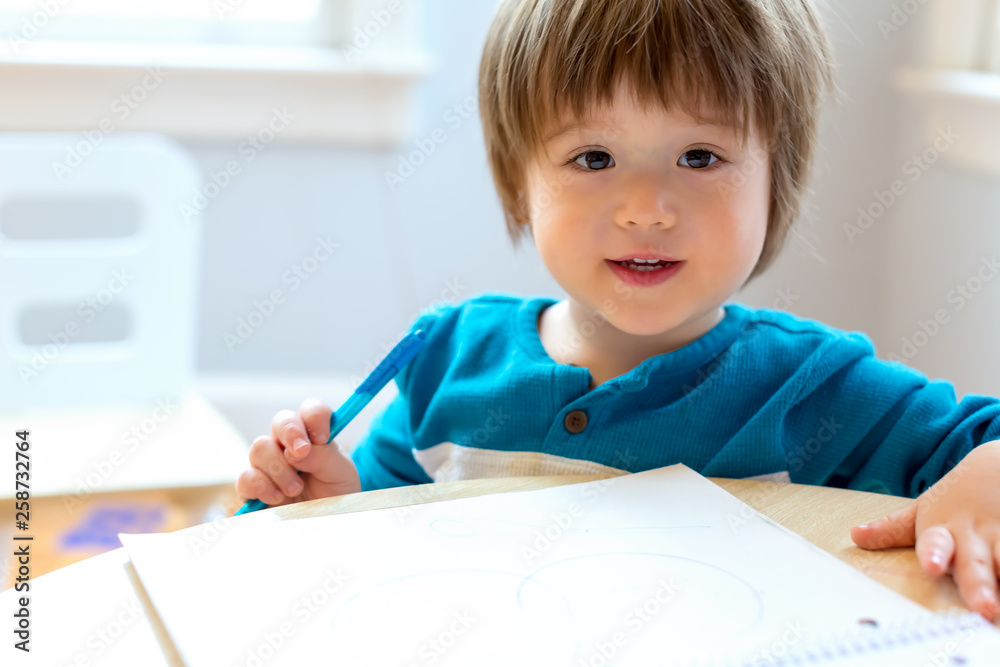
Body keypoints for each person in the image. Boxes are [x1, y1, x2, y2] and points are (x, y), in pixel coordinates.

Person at [236, 0, 1000, 620]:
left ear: (778, 180)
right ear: (519, 183)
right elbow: (381, 537)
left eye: (700, 156)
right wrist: (328, 499)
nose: (645, 209)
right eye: (592, 158)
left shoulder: (815, 389)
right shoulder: (449, 363)